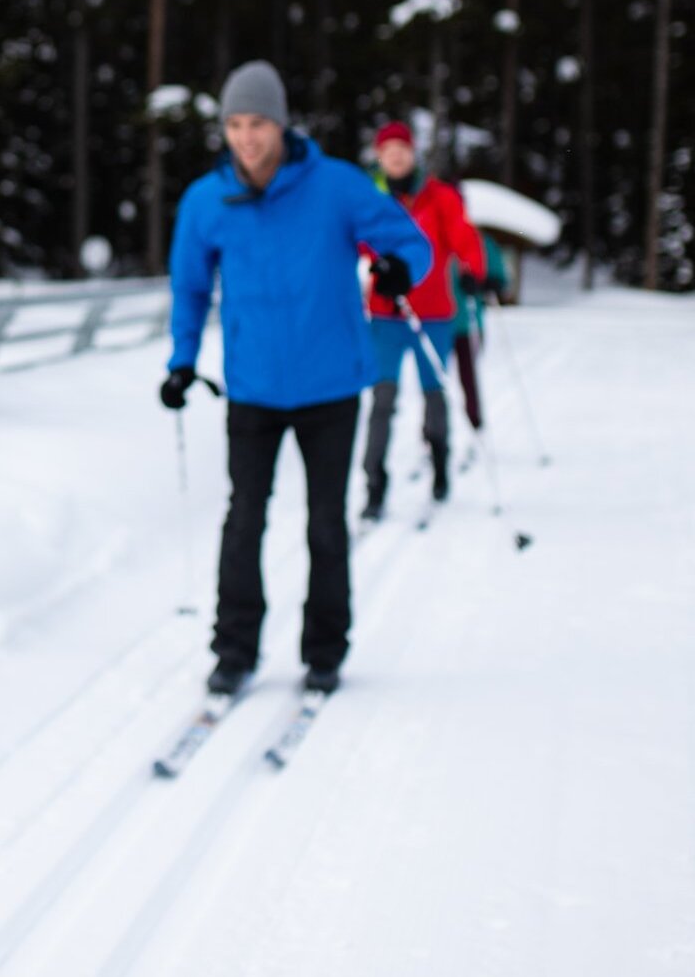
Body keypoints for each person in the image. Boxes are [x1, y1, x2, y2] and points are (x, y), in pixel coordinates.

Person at [163, 61, 432, 698]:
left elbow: (409, 240)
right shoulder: (206, 201)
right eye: (234, 124)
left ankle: (325, 651)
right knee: (243, 519)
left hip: (332, 385)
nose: (246, 138)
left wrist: (399, 269)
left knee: (325, 522)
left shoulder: (335, 186)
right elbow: (190, 287)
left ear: (281, 124)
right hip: (252, 388)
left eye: (257, 123)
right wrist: (181, 360)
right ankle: (234, 650)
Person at [360, 121, 488, 518]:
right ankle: (374, 483)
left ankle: (440, 467)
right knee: (382, 398)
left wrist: (473, 271)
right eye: (387, 150)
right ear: (379, 157)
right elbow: (359, 239)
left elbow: (464, 237)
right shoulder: (371, 197)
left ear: (413, 153)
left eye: (402, 148)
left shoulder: (440, 196)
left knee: (434, 393)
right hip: (386, 313)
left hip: (433, 313)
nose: (395, 155)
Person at [451, 230, 512, 442]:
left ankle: (475, 423)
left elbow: (499, 275)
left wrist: (490, 282)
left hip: (468, 323)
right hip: (437, 322)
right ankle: (432, 433)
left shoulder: (479, 241)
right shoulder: (430, 234)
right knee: (434, 382)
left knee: (468, 376)